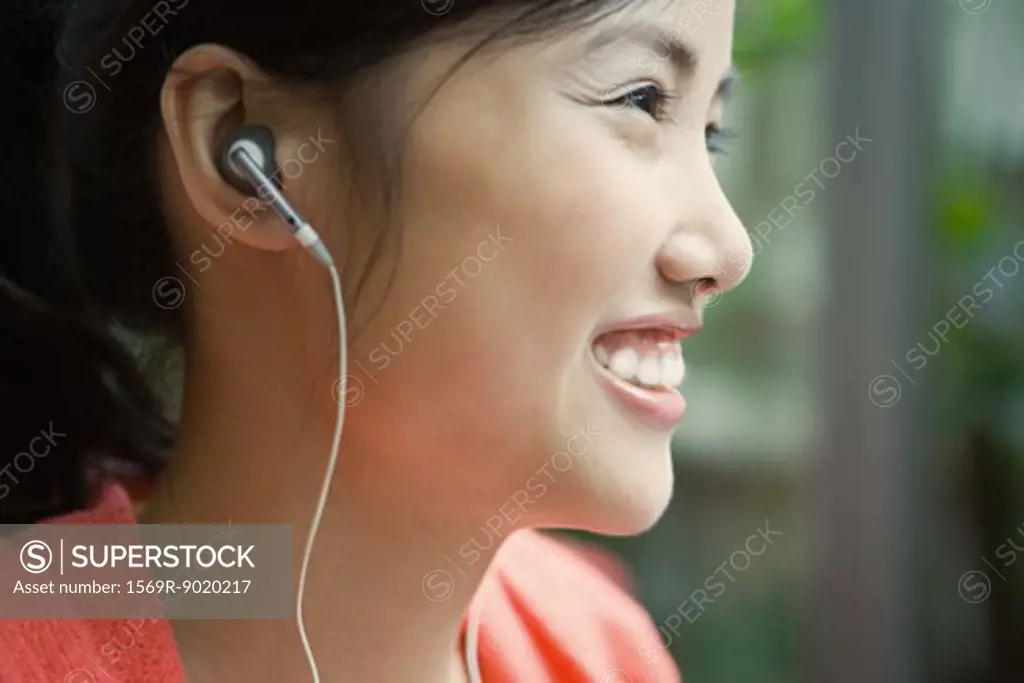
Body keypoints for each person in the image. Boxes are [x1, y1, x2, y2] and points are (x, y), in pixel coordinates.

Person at [0, 0, 752, 680]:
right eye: (642, 100)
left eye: (712, 133)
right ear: (244, 152)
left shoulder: (598, 649)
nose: (730, 250)